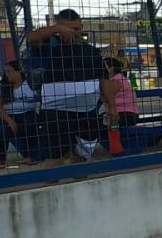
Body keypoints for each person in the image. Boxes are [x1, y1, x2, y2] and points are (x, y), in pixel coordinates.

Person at [24, 9, 105, 165]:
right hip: (56, 111)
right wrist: (56, 29)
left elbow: (102, 77)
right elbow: (31, 38)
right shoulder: (49, 44)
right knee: (56, 156)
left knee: (81, 156)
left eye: (76, 28)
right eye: (68, 28)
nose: (73, 32)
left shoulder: (89, 50)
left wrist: (111, 104)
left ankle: (78, 175)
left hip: (85, 112)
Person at [0, 60, 41, 168]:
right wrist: (10, 121)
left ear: (18, 72)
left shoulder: (30, 84)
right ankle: (0, 158)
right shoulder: (1, 86)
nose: (7, 74)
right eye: (6, 72)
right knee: (1, 129)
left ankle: (31, 155)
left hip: (28, 113)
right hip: (8, 115)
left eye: (9, 71)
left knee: (30, 125)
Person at [101, 57, 139, 128]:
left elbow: (105, 98)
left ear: (111, 68)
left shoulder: (115, 80)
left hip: (124, 114)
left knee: (96, 123)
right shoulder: (119, 78)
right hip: (127, 113)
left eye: (103, 66)